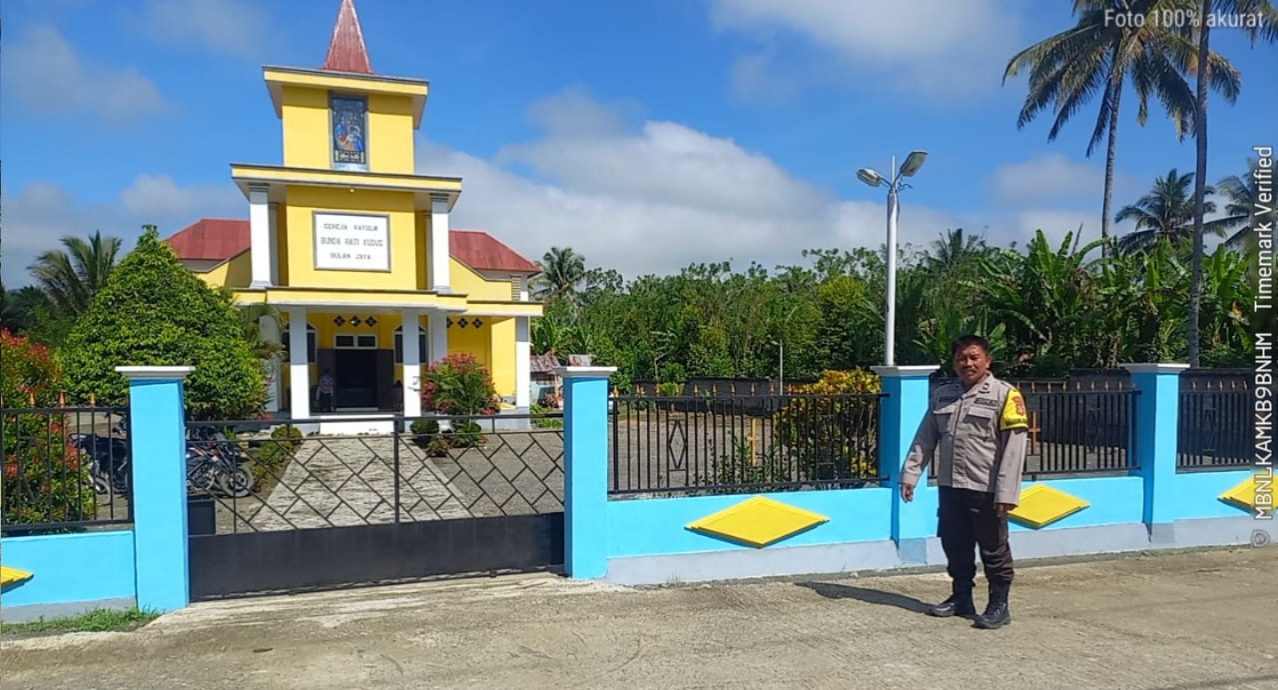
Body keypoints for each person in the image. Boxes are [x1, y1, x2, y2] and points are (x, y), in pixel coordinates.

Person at [899, 334, 1029, 629]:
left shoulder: (1006, 395)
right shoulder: (943, 395)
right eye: (961, 358)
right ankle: (961, 598)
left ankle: (999, 606)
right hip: (951, 486)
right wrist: (911, 474)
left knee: (994, 549)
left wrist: (1007, 492)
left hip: (987, 488)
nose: (967, 363)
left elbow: (1014, 448)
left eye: (974, 357)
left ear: (987, 360)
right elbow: (925, 437)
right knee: (955, 544)